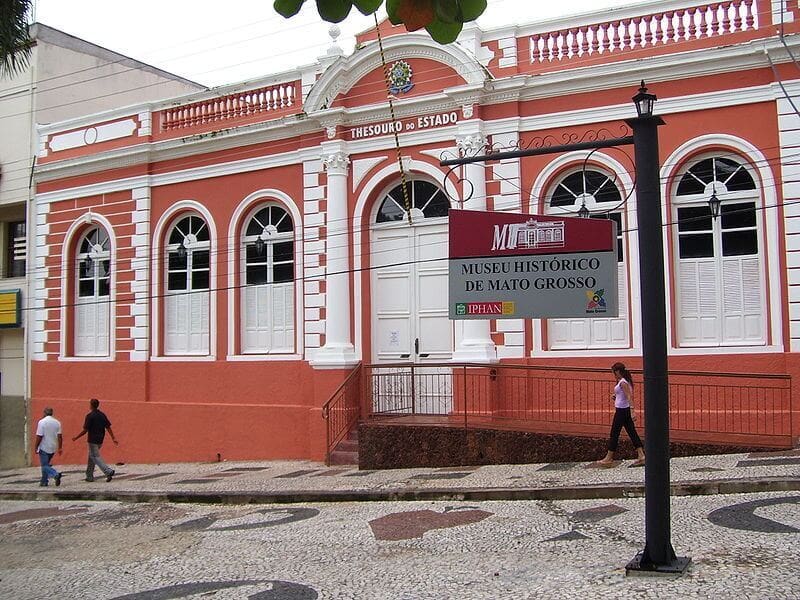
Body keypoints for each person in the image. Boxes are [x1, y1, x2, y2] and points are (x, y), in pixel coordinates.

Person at [595, 362, 645, 467]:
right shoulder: (624, 381)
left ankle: (609, 457)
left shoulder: (623, 382)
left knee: (614, 433)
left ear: (617, 371)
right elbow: (623, 395)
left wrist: (633, 411)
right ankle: (641, 455)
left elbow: (629, 396)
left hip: (622, 411)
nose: (614, 374)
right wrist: (616, 396)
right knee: (632, 432)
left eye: (614, 372)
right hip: (624, 410)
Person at [72, 398, 119, 482]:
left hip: (92, 440)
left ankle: (108, 471)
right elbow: (108, 427)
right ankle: (89, 475)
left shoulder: (90, 416)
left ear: (91, 405)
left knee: (95, 457)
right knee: (91, 456)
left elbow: (85, 430)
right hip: (100, 439)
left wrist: (76, 437)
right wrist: (113, 437)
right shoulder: (102, 415)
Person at [35, 407, 63, 487]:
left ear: (44, 413)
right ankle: (44, 481)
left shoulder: (42, 422)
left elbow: (39, 436)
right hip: (53, 447)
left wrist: (36, 446)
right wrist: (60, 447)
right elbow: (60, 436)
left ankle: (55, 474)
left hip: (44, 446)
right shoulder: (57, 422)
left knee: (44, 465)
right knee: (46, 464)